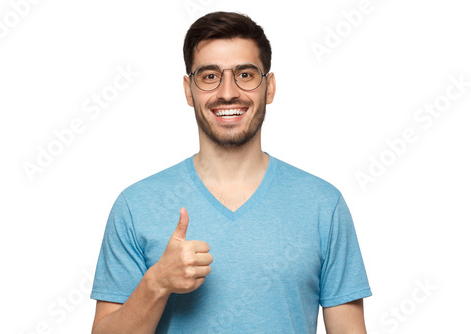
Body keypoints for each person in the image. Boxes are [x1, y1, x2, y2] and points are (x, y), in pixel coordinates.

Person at [90, 11, 372, 334]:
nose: (227, 92)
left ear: (270, 88)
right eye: (210, 76)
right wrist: (157, 282)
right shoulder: (135, 206)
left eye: (246, 75)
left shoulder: (324, 206)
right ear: (188, 90)